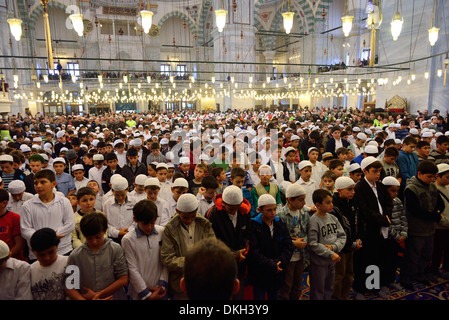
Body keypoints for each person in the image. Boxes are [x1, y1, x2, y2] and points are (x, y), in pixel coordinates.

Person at [160, 193, 216, 300]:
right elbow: (167, 259)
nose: (189, 220)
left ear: (196, 211)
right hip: (180, 285)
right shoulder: (170, 229)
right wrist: (194, 262)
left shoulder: (205, 225)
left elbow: (213, 250)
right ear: (177, 211)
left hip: (203, 281)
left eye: (192, 217)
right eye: (185, 217)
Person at [400, 160, 444, 291]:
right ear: (419, 173)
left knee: (426, 255)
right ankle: (406, 278)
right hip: (416, 229)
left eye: (433, 177)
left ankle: (420, 274)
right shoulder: (411, 188)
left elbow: (440, 204)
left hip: (430, 228)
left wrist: (436, 212)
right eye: (429, 176)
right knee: (413, 256)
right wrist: (435, 216)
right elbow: (415, 210)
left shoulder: (432, 186)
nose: (432, 179)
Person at [353, 156, 393, 300]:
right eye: (375, 171)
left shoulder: (380, 185)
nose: (378, 174)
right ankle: (361, 288)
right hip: (368, 230)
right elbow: (365, 211)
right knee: (365, 260)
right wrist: (383, 220)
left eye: (379, 171)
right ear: (365, 171)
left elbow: (389, 203)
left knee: (378, 258)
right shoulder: (359, 188)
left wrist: (387, 216)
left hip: (382, 229)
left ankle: (374, 286)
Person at [65, 212, 129, 300]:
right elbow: (69, 287)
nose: (94, 241)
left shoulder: (115, 249)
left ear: (105, 231)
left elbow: (123, 279)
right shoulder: (75, 255)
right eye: (89, 238)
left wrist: (98, 295)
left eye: (98, 237)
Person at [206, 185, 252, 300]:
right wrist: (232, 254)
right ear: (223, 204)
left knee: (239, 294)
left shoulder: (244, 212)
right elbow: (213, 240)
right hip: (221, 262)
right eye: (231, 209)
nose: (234, 212)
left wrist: (242, 252)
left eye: (237, 208)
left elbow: (247, 236)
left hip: (240, 261)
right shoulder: (213, 215)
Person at [20, 169, 75, 263]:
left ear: (53, 184)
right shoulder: (27, 205)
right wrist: (44, 239)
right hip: (38, 253)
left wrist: (51, 237)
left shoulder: (64, 202)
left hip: (62, 250)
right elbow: (25, 230)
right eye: (36, 183)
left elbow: (70, 224)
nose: (38, 186)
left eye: (43, 182)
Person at [247, 194, 293, 300]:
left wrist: (279, 262)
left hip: (277, 270)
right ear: (260, 210)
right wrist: (270, 264)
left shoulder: (279, 223)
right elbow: (254, 251)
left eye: (274, 209)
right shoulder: (253, 225)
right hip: (260, 272)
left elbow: (288, 246)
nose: (273, 213)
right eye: (269, 210)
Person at [121, 199, 168, 300]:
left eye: (152, 222)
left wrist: (161, 286)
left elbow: (166, 261)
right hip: (139, 292)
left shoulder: (162, 232)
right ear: (135, 219)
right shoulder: (128, 239)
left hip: (160, 290)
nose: (149, 227)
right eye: (145, 224)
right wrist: (147, 294)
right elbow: (132, 269)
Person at [307, 189, 346, 300]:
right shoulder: (313, 221)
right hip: (319, 263)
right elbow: (313, 243)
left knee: (329, 287)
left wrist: (334, 247)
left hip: (332, 261)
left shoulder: (333, 218)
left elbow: (342, 236)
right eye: (328, 203)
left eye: (331, 202)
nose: (331, 205)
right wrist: (330, 253)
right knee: (318, 289)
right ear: (318, 205)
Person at [330, 177, 363, 300]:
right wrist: (350, 244)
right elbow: (338, 231)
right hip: (340, 248)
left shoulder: (353, 201)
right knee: (338, 276)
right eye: (349, 189)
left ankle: (344, 296)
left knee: (349, 275)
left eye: (353, 189)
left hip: (352, 245)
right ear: (339, 190)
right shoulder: (334, 207)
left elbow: (358, 221)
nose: (353, 192)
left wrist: (359, 239)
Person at [277, 184, 310, 300]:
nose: (304, 203)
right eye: (300, 200)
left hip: (301, 255)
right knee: (286, 286)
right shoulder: (280, 215)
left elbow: (307, 232)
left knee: (297, 286)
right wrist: (292, 243)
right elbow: (277, 238)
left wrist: (304, 241)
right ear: (290, 199)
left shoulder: (304, 213)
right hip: (288, 257)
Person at [382, 176, 408, 291]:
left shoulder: (397, 201)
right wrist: (397, 236)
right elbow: (386, 222)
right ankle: (381, 283)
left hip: (398, 237)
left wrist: (403, 233)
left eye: (397, 191)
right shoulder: (381, 203)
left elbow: (403, 217)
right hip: (388, 238)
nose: (396, 194)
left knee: (394, 261)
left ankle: (390, 280)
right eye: (393, 191)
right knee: (384, 262)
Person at [29, 228, 68, 300]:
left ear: (57, 245)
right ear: (32, 251)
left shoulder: (68, 263)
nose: (47, 258)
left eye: (51, 252)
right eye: (42, 255)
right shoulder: (30, 270)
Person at [103, 175, 136, 244]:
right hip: (113, 239)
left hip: (131, 237)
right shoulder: (107, 204)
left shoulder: (134, 202)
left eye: (122, 195)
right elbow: (105, 224)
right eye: (117, 195)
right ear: (112, 190)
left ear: (127, 189)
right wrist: (117, 233)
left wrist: (129, 231)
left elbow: (136, 221)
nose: (120, 198)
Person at [430, 163, 449, 280]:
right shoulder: (433, 190)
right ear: (437, 176)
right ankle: (433, 270)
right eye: (447, 177)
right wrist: (443, 221)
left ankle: (443, 268)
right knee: (436, 250)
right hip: (439, 226)